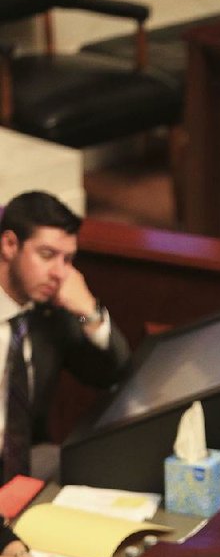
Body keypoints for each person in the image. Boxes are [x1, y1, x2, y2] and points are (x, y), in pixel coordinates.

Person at [0, 191, 130, 484]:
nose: (60, 273)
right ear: (9, 245)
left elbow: (113, 373)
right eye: (47, 255)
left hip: (24, 467)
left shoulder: (51, 317)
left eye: (68, 259)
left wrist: (89, 313)